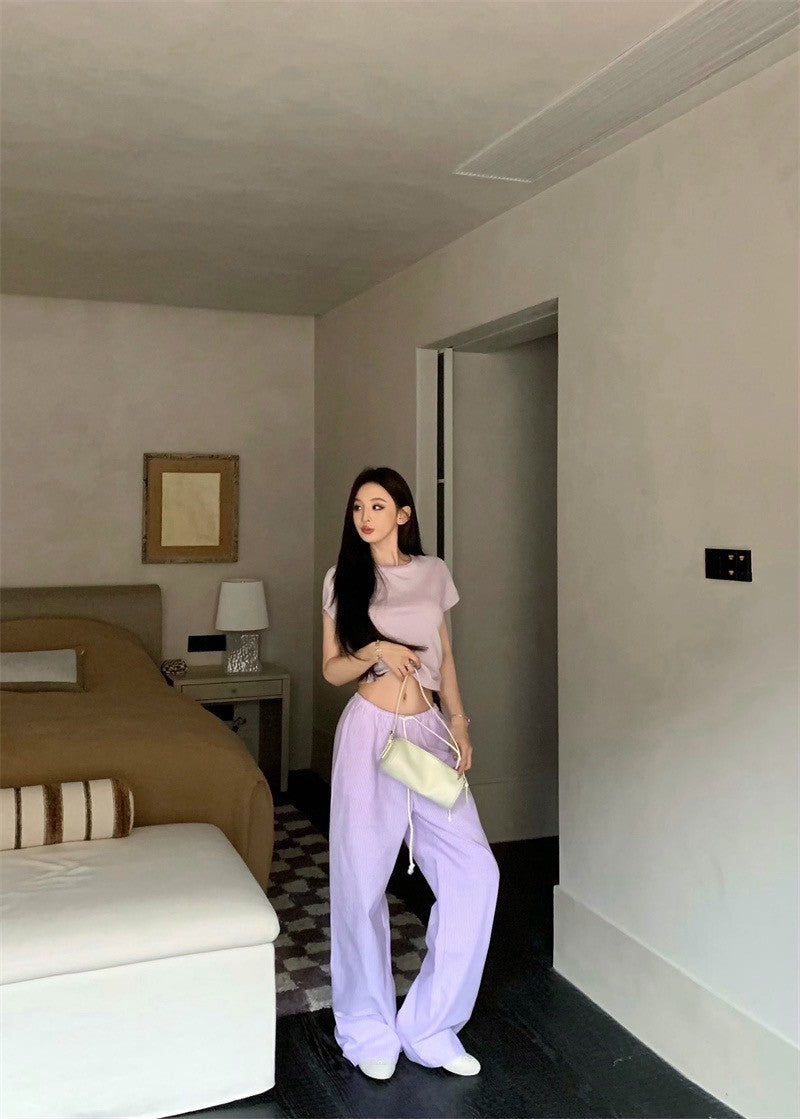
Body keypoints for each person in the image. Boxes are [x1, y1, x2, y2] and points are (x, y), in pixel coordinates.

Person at [321, 465, 499, 1081]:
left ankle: (430, 1025)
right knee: (360, 883)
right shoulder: (341, 579)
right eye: (357, 507)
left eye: (377, 505)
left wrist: (460, 724)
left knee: (475, 871)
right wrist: (374, 650)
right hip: (368, 735)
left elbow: (445, 658)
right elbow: (332, 670)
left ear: (402, 514)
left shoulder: (432, 573)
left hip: (425, 737)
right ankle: (366, 1028)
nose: (364, 516)